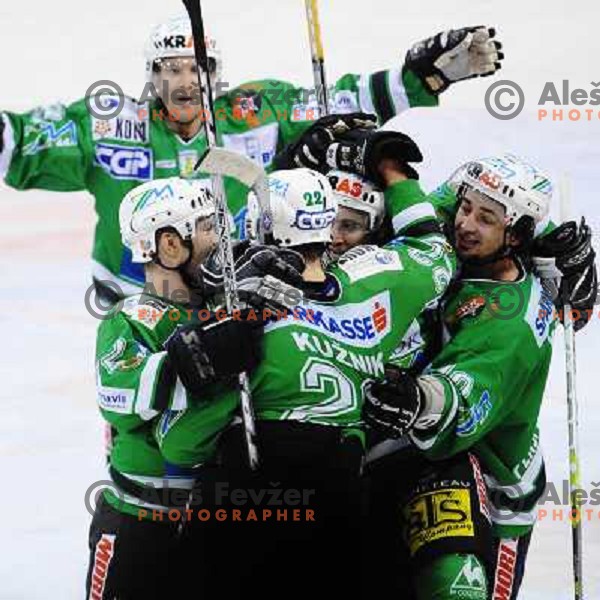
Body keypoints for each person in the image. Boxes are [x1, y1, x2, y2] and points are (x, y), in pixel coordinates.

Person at [0, 15, 502, 300]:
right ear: (151, 75)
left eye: (196, 67)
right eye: (169, 69)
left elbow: (334, 106)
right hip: (138, 308)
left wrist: (421, 78)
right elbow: (20, 142)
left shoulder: (254, 111)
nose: (184, 81)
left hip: (234, 295)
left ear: (215, 73)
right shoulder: (108, 127)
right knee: (146, 440)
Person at [154, 132, 455, 596]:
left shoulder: (248, 315)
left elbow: (179, 445)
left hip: (247, 517)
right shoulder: (375, 286)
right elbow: (434, 251)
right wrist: (396, 175)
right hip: (343, 517)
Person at [362, 154, 597, 599]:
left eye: (485, 219)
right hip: (426, 465)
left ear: (515, 235)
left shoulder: (509, 323)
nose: (465, 224)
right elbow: (446, 200)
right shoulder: (485, 240)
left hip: (493, 484)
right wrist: (382, 159)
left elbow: (463, 400)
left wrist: (417, 399)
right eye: (467, 208)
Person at [87, 176, 265, 599]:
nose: (221, 237)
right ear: (169, 245)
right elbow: (119, 396)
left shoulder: (227, 307)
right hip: (140, 525)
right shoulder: (131, 316)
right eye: (207, 227)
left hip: (221, 523)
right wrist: (195, 355)